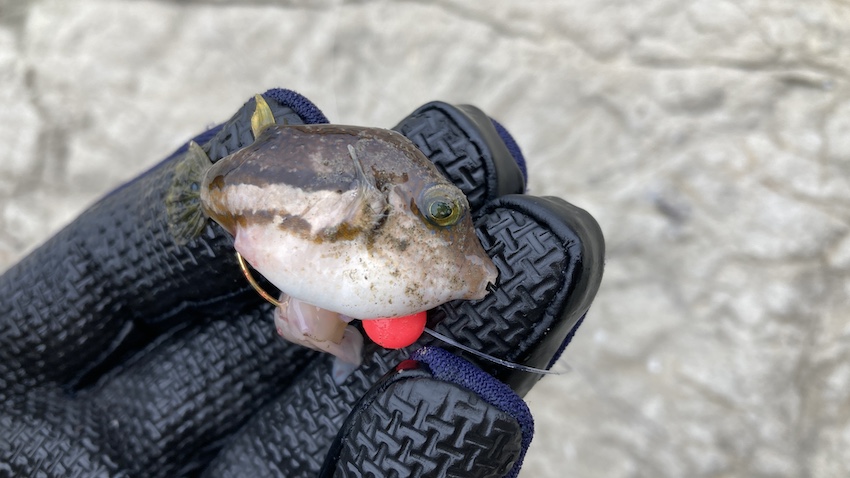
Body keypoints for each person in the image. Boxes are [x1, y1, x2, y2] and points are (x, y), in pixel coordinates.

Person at [0, 89, 604, 478]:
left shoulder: (393, 222)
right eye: (444, 212)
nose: (454, 229)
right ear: (384, 206)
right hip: (284, 241)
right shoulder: (370, 211)